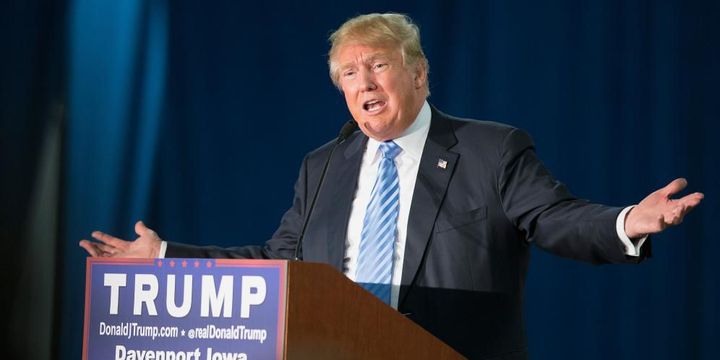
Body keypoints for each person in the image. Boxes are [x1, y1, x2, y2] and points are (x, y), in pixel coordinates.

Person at [80, 13, 703, 359]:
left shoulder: (490, 148)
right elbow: (278, 264)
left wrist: (625, 222)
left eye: (378, 65)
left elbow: (553, 217)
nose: (364, 82)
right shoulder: (322, 165)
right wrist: (164, 259)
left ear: (419, 74)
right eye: (350, 72)